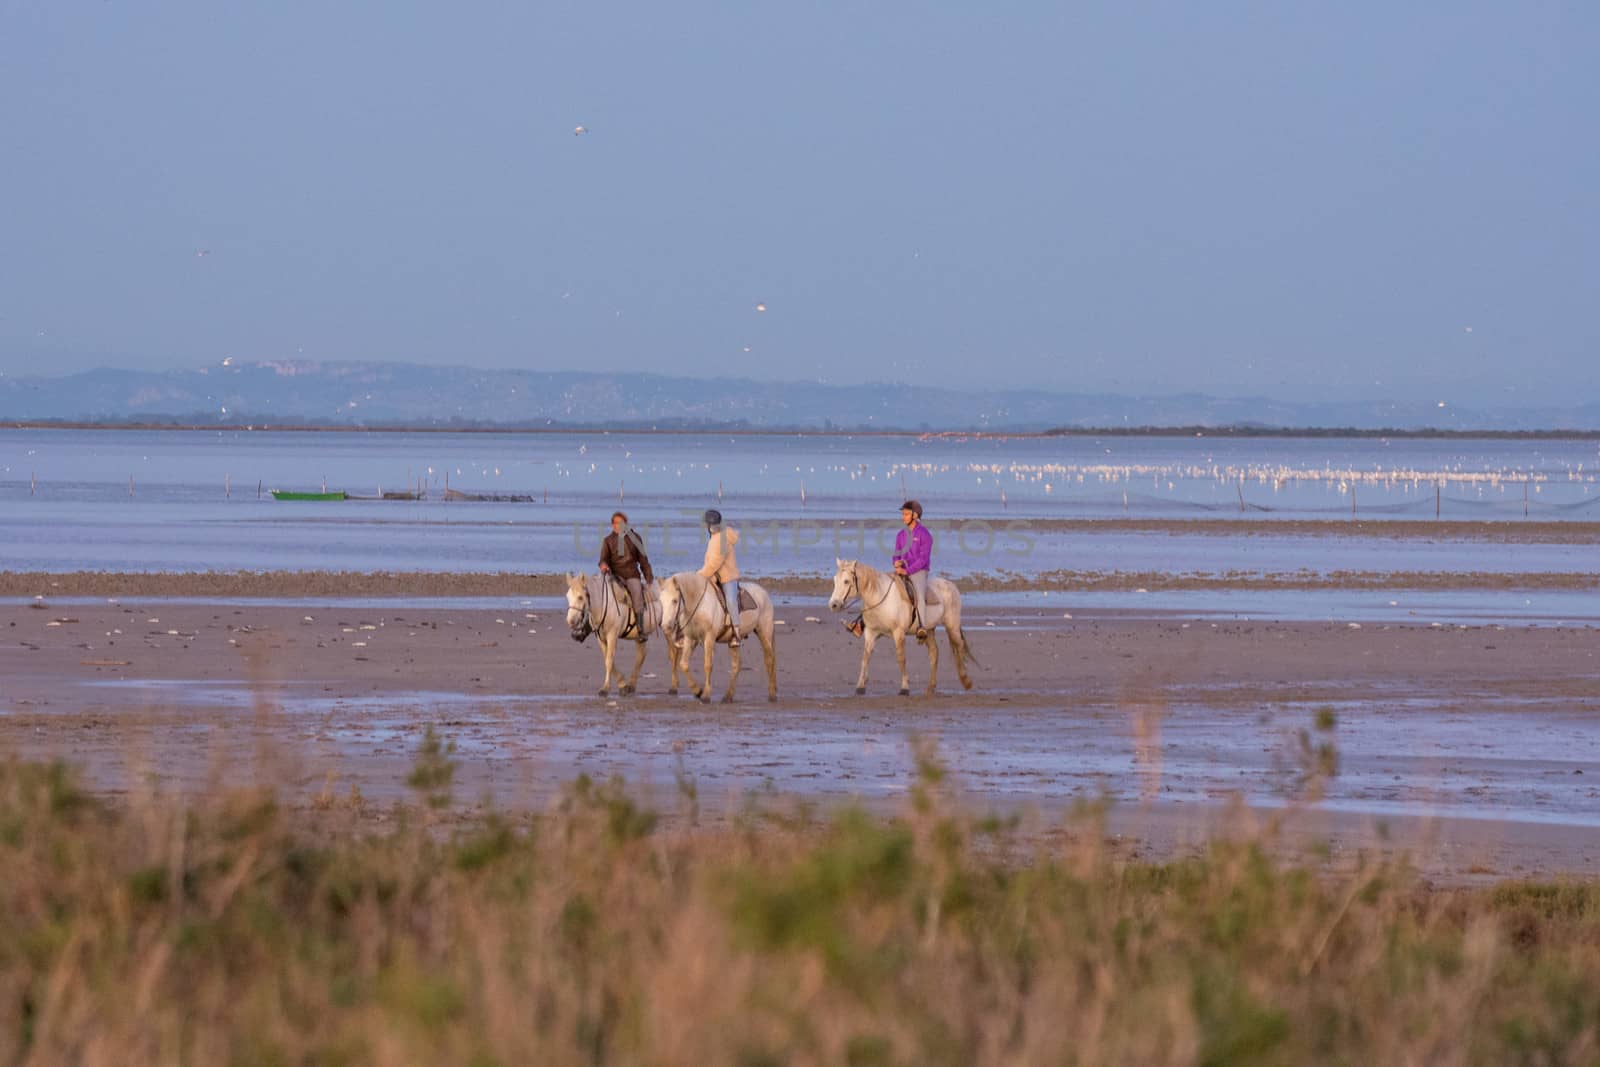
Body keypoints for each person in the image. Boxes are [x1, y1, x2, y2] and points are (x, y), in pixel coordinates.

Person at [598, 510, 654, 643]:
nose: (620, 526)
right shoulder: (607, 541)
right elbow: (603, 559)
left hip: (631, 574)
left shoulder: (635, 538)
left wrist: (648, 578)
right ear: (613, 525)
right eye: (617, 523)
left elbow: (643, 560)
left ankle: (640, 630)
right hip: (614, 574)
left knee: (637, 594)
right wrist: (604, 565)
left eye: (622, 523)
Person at [699, 508, 742, 647]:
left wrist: (698, 575)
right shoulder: (714, 537)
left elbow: (715, 563)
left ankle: (736, 632)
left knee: (730, 600)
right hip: (714, 576)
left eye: (710, 524)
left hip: (728, 577)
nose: (709, 527)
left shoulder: (722, 539)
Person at [892, 500, 933, 639]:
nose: (903, 517)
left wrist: (907, 571)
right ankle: (862, 624)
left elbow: (923, 559)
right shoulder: (900, 535)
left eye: (906, 514)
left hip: (919, 571)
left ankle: (922, 626)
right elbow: (896, 553)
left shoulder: (925, 535)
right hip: (901, 569)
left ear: (915, 516)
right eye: (902, 514)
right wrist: (896, 563)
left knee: (919, 594)